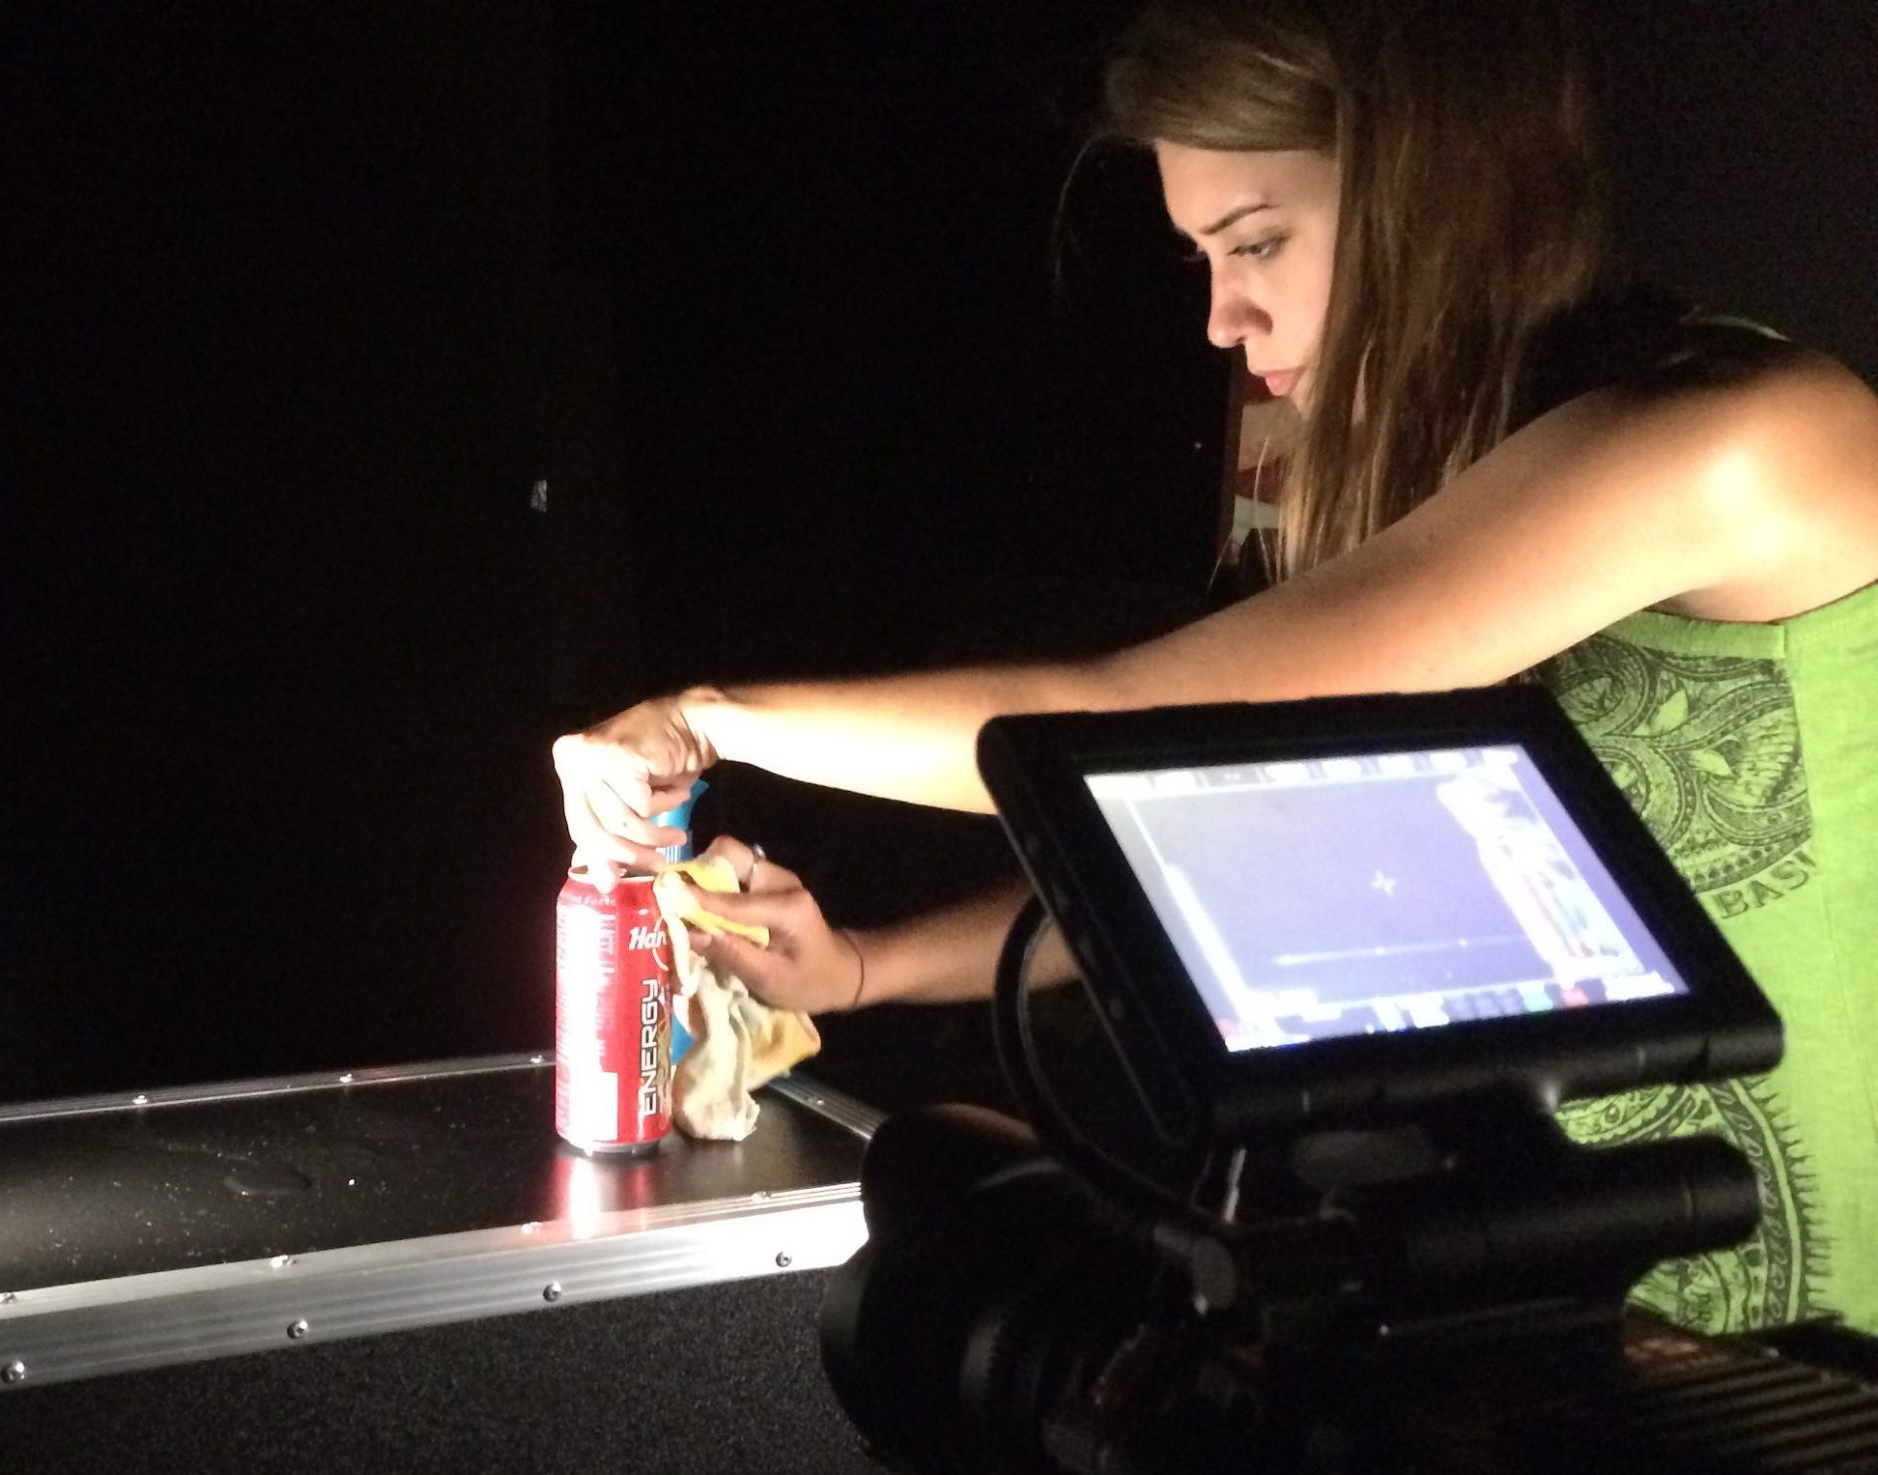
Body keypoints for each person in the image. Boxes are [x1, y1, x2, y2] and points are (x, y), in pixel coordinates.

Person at [549, 0, 1878, 1336]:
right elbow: (1247, 830)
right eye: (1202, 258)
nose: (1222, 317)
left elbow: (1139, 730)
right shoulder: (1476, 495)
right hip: (1572, 1321)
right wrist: (865, 968)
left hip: (1828, 1367)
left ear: (1437, 195)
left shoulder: (1748, 442)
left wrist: (707, 721)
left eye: (1256, 244)